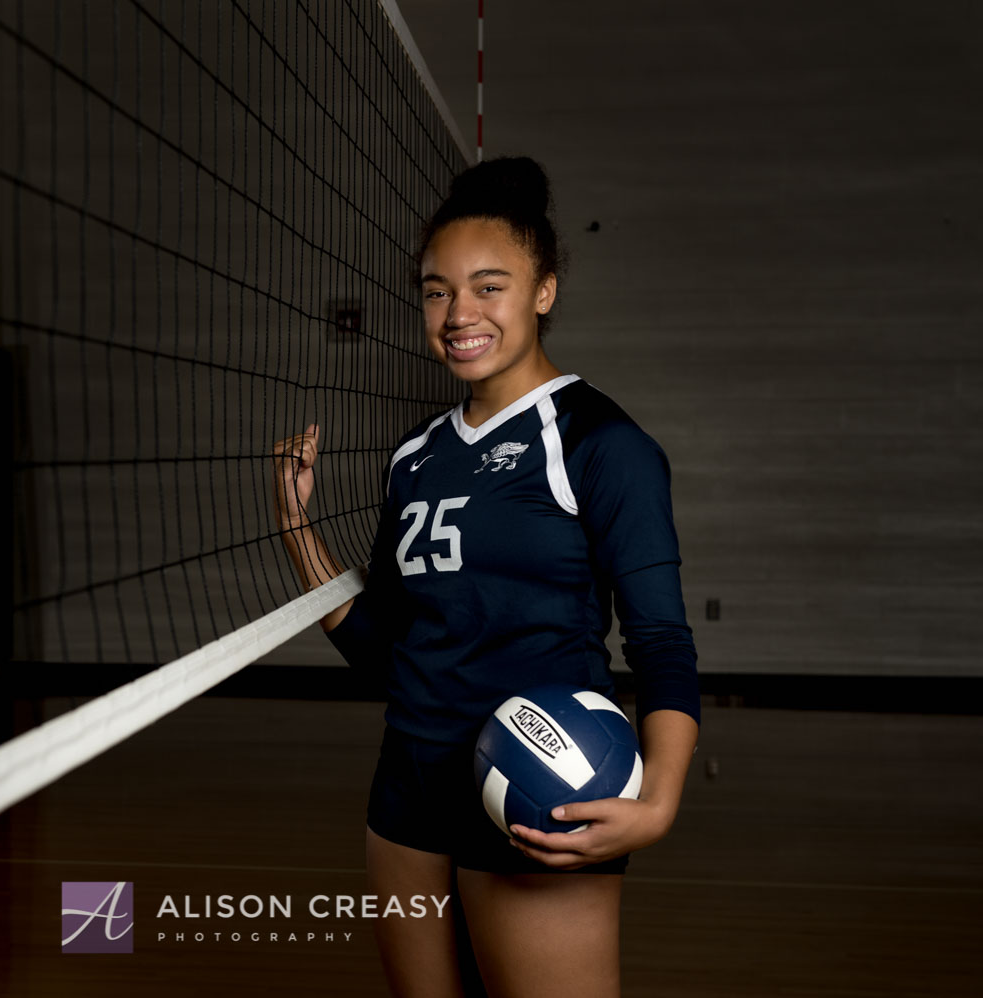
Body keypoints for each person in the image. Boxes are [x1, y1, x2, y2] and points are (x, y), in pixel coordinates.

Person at [270, 157, 700, 998]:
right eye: (437, 291)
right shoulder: (415, 457)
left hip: (540, 778)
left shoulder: (603, 444)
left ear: (542, 290)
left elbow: (660, 641)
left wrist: (660, 801)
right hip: (409, 786)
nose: (459, 313)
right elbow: (389, 653)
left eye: (488, 286)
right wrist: (296, 528)